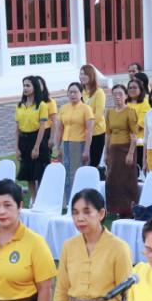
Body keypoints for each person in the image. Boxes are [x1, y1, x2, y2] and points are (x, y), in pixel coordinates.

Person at [55, 81, 94, 212]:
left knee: (75, 174)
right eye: (70, 92)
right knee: (65, 173)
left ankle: (79, 201)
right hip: (65, 143)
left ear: (81, 93)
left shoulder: (86, 109)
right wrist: (57, 147)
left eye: (75, 92)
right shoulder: (63, 108)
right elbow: (59, 129)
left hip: (79, 143)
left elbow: (89, 131)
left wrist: (87, 149)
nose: (72, 95)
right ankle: (67, 201)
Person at [103, 84, 139, 216]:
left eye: (120, 94)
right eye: (115, 94)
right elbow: (108, 133)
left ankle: (129, 208)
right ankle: (114, 209)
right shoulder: (110, 112)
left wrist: (130, 153)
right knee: (113, 178)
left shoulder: (130, 111)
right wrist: (106, 152)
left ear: (126, 96)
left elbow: (134, 135)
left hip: (126, 148)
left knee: (127, 180)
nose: (117, 97)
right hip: (113, 149)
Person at [15, 76, 53, 202]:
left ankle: (43, 198)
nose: (25, 88)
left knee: (40, 171)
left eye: (28, 85)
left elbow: (42, 127)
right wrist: (17, 148)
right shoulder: (20, 105)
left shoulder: (42, 105)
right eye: (24, 86)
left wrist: (36, 147)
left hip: (37, 139)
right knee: (28, 173)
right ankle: (34, 199)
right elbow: (17, 128)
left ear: (34, 87)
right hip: (24, 140)